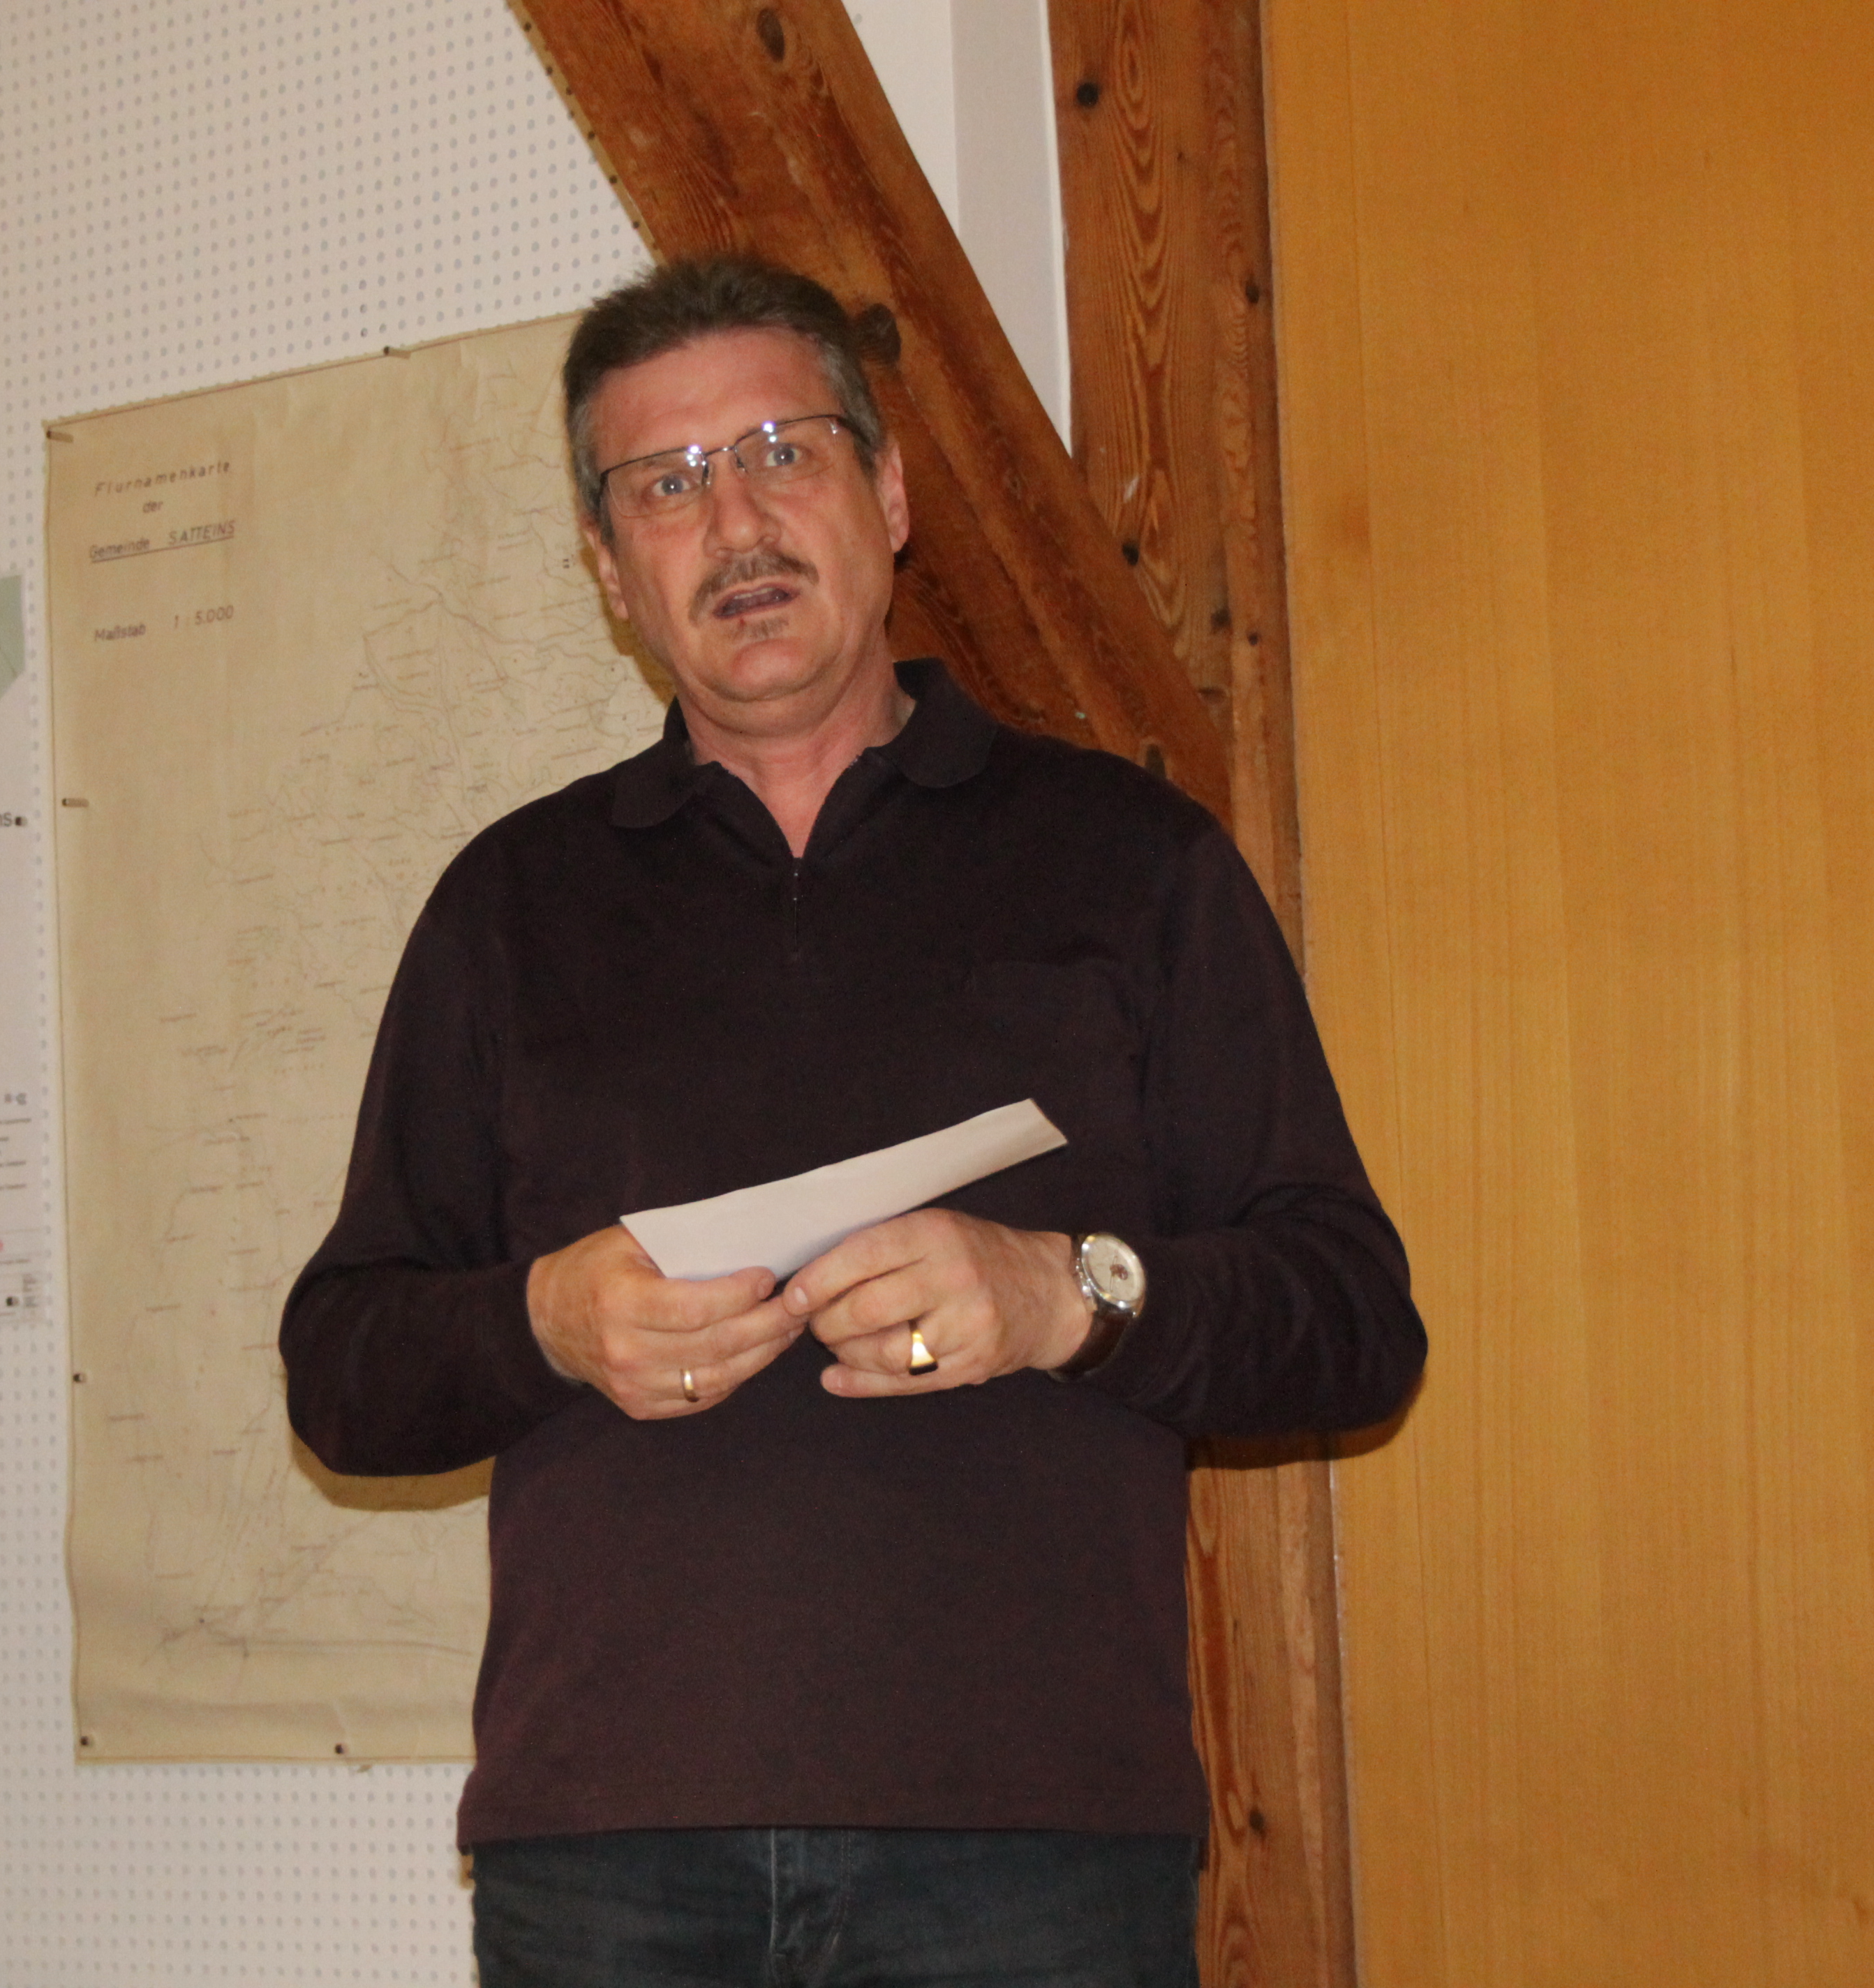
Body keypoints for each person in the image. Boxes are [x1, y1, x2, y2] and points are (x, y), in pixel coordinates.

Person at [279, 254, 1423, 1987]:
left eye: (779, 452)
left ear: (886, 495)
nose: (733, 521)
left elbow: (1354, 1317)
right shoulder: (507, 907)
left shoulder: (1132, 861)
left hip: (1034, 1858)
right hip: (607, 1857)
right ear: (610, 568)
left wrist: (1065, 1293)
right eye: (665, 484)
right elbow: (341, 1366)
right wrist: (547, 1319)